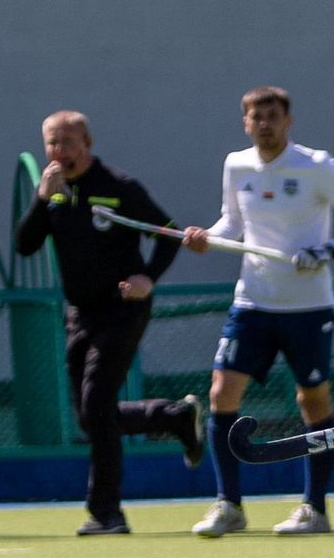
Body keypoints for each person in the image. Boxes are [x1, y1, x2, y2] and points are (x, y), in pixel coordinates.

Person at [180, 86, 334, 537]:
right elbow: (231, 224)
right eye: (256, 116)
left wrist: (328, 249)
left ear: (288, 121)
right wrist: (205, 238)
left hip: (308, 307)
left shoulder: (316, 166)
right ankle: (228, 505)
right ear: (245, 122)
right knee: (220, 395)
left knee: (312, 401)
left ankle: (315, 509)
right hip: (251, 302)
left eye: (273, 115)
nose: (265, 124)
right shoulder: (236, 165)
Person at [12, 110, 206, 534]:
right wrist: (41, 199)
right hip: (79, 315)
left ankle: (106, 512)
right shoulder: (54, 192)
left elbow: (170, 234)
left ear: (87, 142)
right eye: (51, 143)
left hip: (122, 309)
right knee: (89, 416)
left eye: (67, 142)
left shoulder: (119, 187)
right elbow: (24, 246)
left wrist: (147, 279)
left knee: (98, 404)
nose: (58, 151)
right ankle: (174, 419)